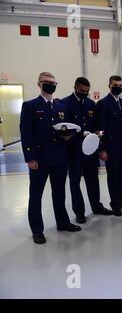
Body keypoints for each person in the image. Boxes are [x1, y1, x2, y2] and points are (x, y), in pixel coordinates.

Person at [20, 72, 81, 244]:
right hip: (39, 159)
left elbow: (67, 127)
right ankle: (37, 230)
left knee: (59, 192)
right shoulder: (30, 106)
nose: (50, 85)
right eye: (46, 82)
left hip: (60, 158)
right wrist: (30, 158)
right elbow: (26, 134)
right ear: (39, 84)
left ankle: (62, 222)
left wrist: (68, 136)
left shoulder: (61, 107)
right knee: (36, 195)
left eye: (53, 83)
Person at [62, 77, 112, 224]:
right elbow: (65, 128)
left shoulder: (91, 104)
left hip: (90, 150)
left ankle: (96, 206)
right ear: (75, 87)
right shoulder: (65, 103)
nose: (84, 93)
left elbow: (96, 125)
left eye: (87, 91)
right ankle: (79, 212)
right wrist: (81, 133)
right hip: (74, 151)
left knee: (93, 180)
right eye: (82, 91)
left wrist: (99, 139)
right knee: (75, 182)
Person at [97, 75, 122, 216]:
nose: (117, 87)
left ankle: (121, 198)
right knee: (113, 175)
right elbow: (100, 128)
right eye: (115, 85)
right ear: (109, 85)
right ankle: (115, 203)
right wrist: (101, 149)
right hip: (111, 146)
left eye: (120, 85)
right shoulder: (103, 103)